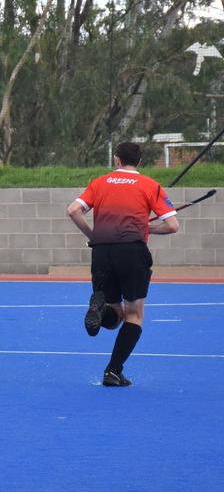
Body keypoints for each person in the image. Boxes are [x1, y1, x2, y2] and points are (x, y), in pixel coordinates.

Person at [66, 141, 179, 386]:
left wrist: (92, 235)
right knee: (134, 314)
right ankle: (113, 371)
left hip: (102, 252)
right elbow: (172, 226)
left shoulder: (99, 182)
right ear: (139, 162)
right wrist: (148, 227)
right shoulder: (150, 185)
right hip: (132, 251)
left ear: (116, 159)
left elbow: (73, 210)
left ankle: (99, 309)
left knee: (114, 315)